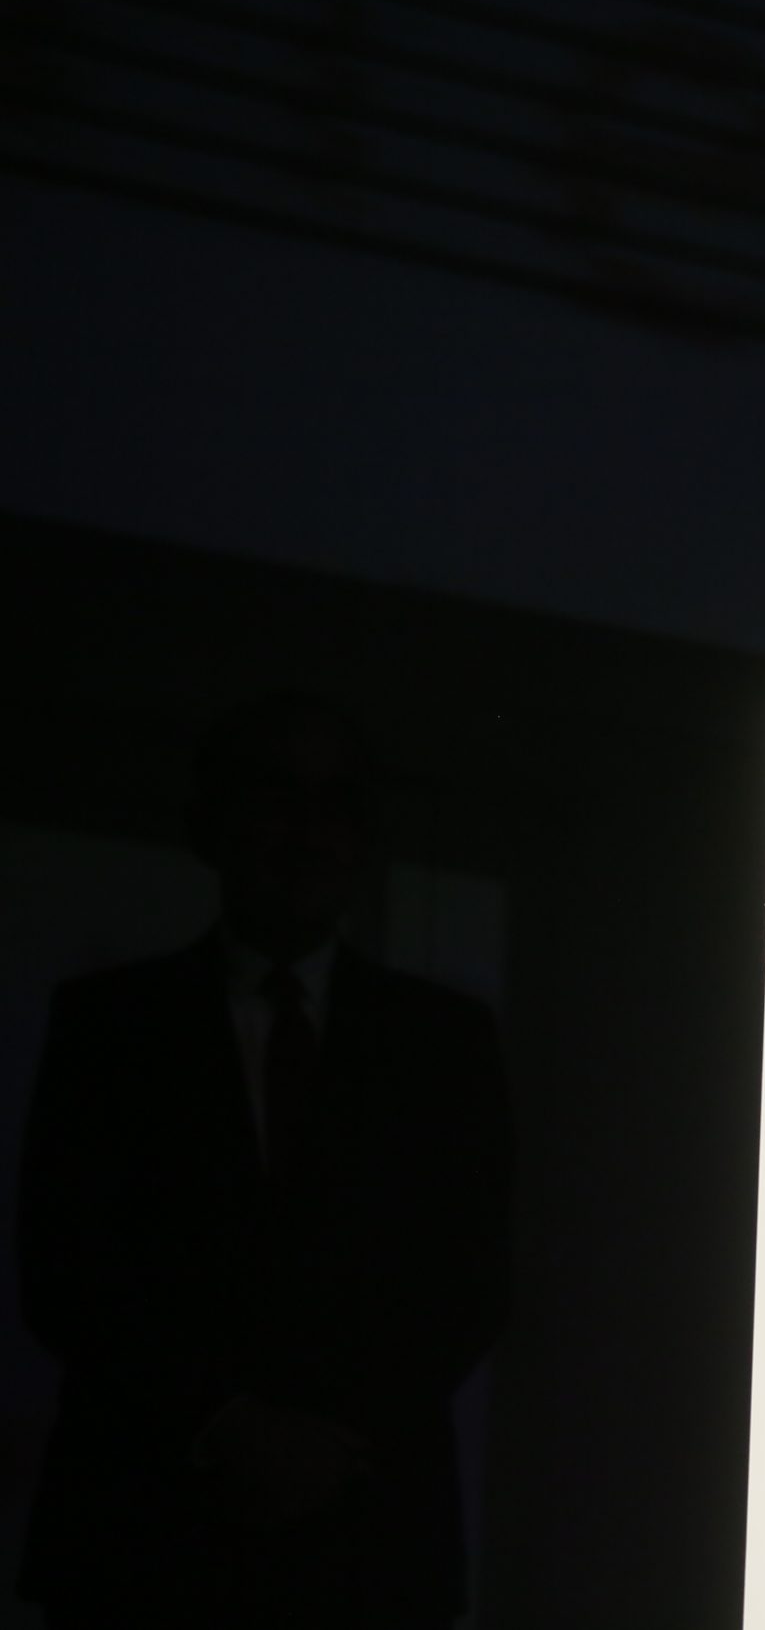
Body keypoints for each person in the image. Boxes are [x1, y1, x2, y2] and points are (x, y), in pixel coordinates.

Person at [17, 694, 512, 1629]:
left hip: (366, 1538)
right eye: (275, 798)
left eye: (335, 805)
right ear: (209, 823)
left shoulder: (445, 1040)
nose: (306, 833)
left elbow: (473, 1274)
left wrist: (321, 1441)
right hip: (144, 1532)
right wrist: (225, 1425)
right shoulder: (109, 1024)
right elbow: (65, 1268)